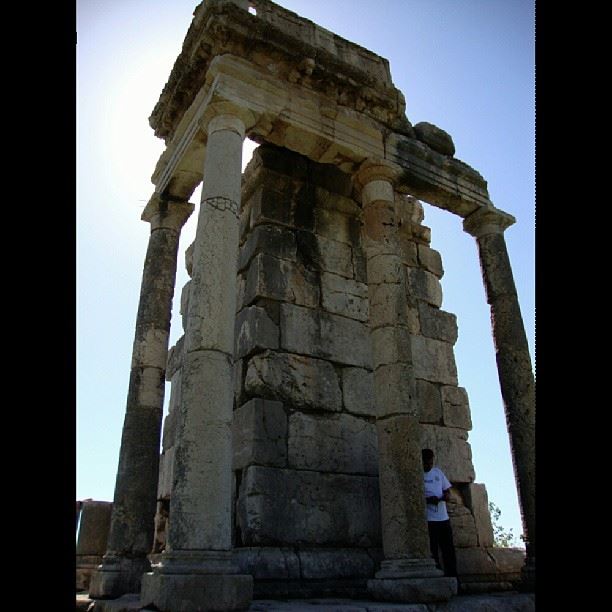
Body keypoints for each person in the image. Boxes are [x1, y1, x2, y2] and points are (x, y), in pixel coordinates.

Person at [422, 448, 458, 579]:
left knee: (448, 550)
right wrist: (428, 500)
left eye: (430, 463)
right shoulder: (417, 475)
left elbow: (448, 492)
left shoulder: (438, 473)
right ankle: (437, 577)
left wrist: (442, 498)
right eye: (426, 463)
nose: (428, 466)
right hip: (429, 519)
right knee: (433, 551)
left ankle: (453, 578)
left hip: (443, 518)